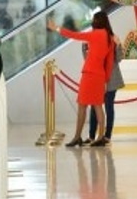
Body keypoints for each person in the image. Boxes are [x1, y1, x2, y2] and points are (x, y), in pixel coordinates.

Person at [46, 11, 114, 147]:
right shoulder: (110, 38)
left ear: (98, 21)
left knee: (82, 105)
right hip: (100, 75)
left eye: (94, 19)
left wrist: (57, 28)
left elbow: (75, 35)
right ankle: (101, 136)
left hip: (89, 74)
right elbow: (109, 63)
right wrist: (106, 80)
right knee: (98, 106)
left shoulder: (95, 34)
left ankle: (77, 137)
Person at [84, 33, 124, 145]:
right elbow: (87, 59)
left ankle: (107, 136)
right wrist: (85, 46)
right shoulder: (93, 38)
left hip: (111, 80)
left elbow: (119, 58)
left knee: (108, 107)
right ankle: (92, 136)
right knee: (94, 107)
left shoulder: (112, 38)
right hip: (97, 79)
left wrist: (118, 44)